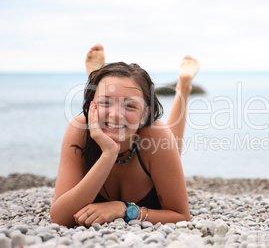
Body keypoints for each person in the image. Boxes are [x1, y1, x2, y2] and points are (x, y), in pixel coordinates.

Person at [50, 44, 198, 227]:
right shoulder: (79, 129)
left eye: (130, 105)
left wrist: (123, 209)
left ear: (145, 114)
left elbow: (181, 216)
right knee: (112, 117)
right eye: (105, 103)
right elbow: (59, 218)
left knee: (169, 141)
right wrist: (108, 154)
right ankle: (98, 83)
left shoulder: (155, 134)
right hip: (104, 122)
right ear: (90, 108)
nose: (116, 114)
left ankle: (183, 88)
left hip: (149, 137)